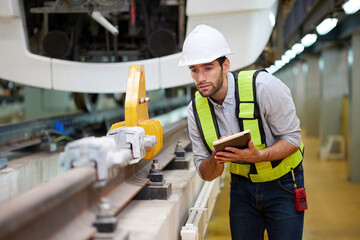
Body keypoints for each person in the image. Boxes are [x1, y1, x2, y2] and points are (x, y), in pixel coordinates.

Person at [179, 24, 305, 240]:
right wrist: (216, 158)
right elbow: (207, 174)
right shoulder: (195, 110)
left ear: (225, 66)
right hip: (242, 190)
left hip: (283, 186)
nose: (200, 78)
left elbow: (293, 138)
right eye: (194, 70)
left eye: (208, 68)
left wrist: (259, 156)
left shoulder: (264, 88)